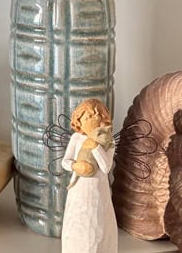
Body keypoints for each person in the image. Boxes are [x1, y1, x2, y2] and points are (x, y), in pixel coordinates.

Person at [61, 98, 118, 253]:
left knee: (98, 221)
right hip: (78, 190)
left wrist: (95, 147)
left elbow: (106, 168)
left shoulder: (108, 141)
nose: (90, 120)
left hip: (98, 191)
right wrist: (75, 166)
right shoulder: (76, 138)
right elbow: (65, 162)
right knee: (77, 221)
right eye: (86, 118)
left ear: (102, 118)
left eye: (94, 116)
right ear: (78, 121)